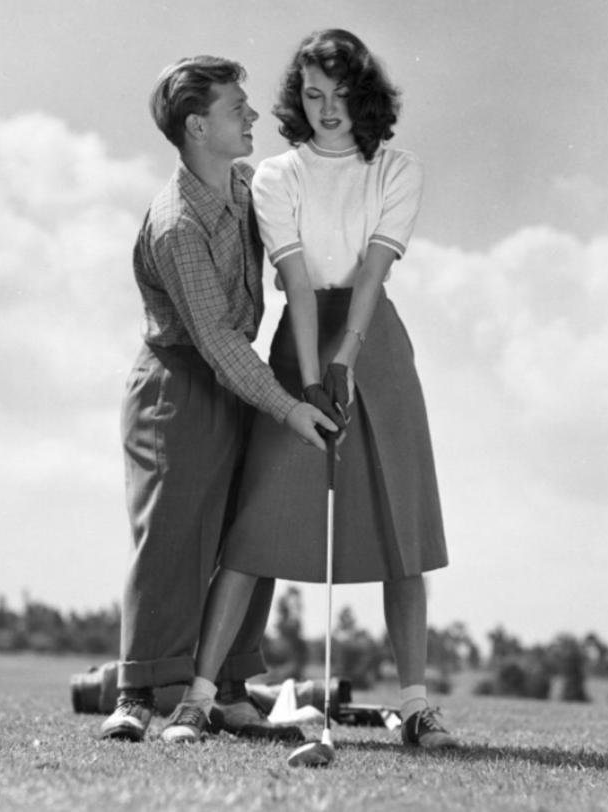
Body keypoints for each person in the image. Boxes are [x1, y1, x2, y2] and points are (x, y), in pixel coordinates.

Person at [161, 29, 459, 749]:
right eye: (313, 94)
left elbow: (374, 273)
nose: (327, 109)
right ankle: (198, 700)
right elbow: (294, 281)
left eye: (340, 93)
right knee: (257, 520)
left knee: (401, 529)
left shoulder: (397, 167)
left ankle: (416, 707)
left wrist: (347, 361)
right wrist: (311, 377)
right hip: (300, 342)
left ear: (364, 93)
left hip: (373, 342)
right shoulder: (276, 174)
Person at [100, 55, 340, 743]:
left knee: (250, 525)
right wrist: (291, 408)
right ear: (199, 125)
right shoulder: (177, 224)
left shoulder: (242, 186)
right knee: (173, 534)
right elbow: (217, 342)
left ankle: (231, 687)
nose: (253, 116)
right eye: (239, 108)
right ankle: (139, 693)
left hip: (237, 380)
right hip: (177, 383)